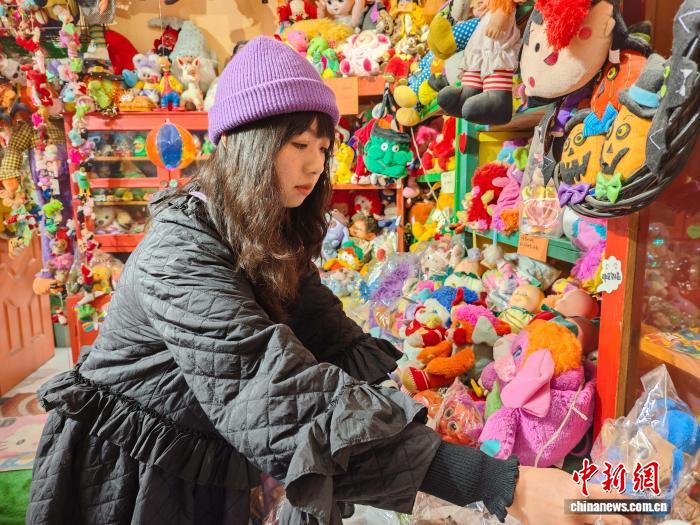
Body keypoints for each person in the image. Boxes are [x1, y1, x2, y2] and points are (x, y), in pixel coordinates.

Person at [27, 36, 629, 525]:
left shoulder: (266, 233)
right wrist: (495, 484)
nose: (315, 164)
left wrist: (420, 405)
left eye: (323, 145)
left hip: (202, 454)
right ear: (242, 146)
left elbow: (332, 336)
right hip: (129, 468)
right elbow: (269, 387)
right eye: (297, 143)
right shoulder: (179, 252)